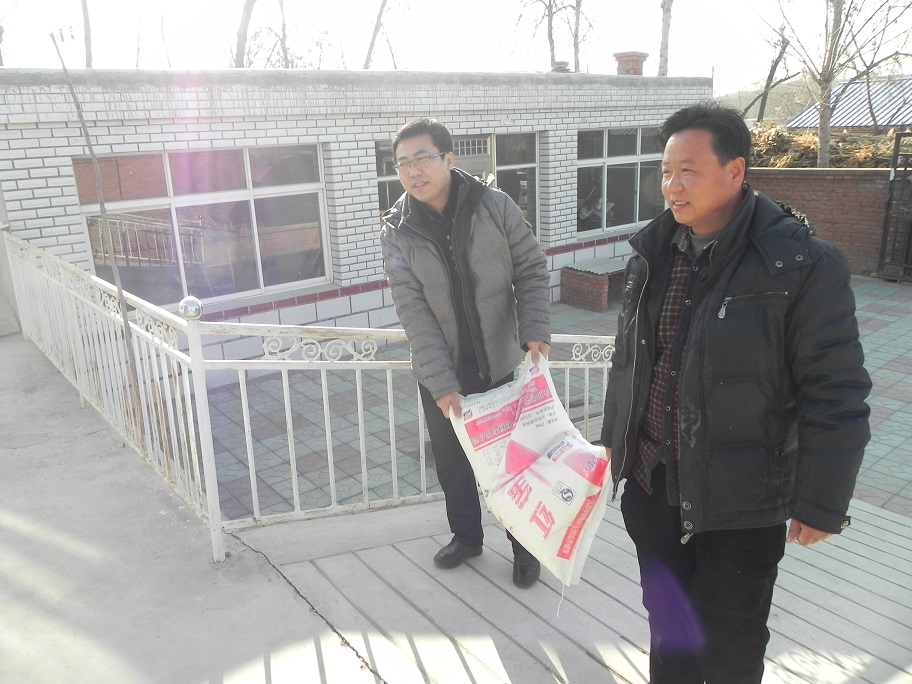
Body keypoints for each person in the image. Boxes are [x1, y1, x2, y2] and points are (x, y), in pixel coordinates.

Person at [600, 101, 871, 683]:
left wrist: (822, 499)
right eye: (666, 171)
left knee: (729, 647)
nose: (672, 186)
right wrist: (613, 447)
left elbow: (837, 389)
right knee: (670, 632)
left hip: (742, 500)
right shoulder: (652, 254)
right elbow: (630, 364)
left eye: (688, 171)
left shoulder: (799, 262)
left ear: (736, 171)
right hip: (654, 484)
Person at [380, 118, 551, 588]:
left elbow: (531, 269)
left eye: (422, 159)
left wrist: (535, 329)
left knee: (512, 463)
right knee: (453, 464)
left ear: (449, 158)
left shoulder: (495, 206)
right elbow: (413, 312)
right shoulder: (397, 230)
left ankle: (524, 545)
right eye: (403, 164)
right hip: (443, 370)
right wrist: (441, 382)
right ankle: (467, 537)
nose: (413, 171)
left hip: (499, 364)